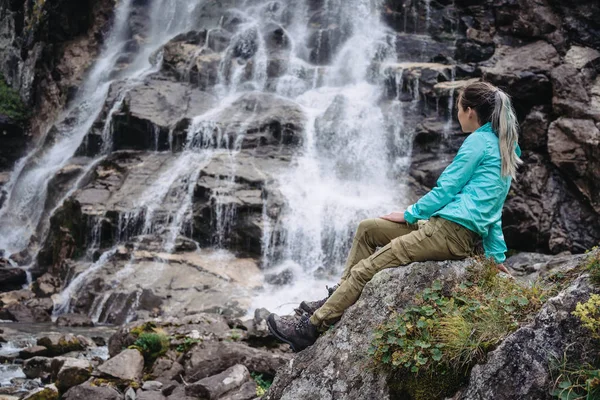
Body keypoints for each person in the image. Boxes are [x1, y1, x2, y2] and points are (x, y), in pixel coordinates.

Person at [267, 81, 522, 352]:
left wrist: (410, 214)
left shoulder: (478, 143)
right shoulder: (503, 147)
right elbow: (494, 212)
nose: (457, 113)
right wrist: (496, 258)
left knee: (367, 269)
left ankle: (309, 329)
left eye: (458, 108)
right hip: (445, 230)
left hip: (447, 233)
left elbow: (447, 189)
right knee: (369, 229)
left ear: (469, 111)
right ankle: (336, 297)